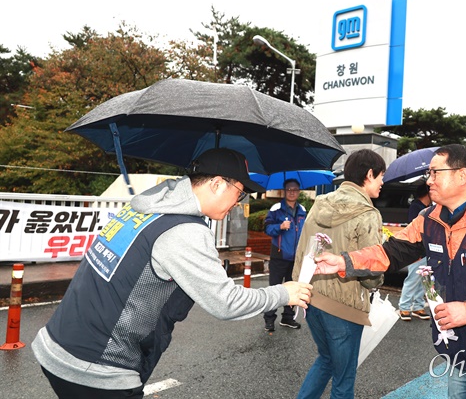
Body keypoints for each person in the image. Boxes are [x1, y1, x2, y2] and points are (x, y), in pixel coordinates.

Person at [31, 148, 312, 398]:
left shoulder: (146, 208)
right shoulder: (184, 230)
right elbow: (226, 302)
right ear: (216, 184)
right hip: (99, 370)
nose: (238, 202)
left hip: (57, 346)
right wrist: (283, 292)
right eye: (239, 192)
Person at [314, 144, 466, 399]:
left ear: (461, 175)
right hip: (462, 350)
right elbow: (390, 253)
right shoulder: (430, 219)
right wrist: (344, 262)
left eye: (435, 173)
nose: (429, 181)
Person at [293, 149, 386, 399]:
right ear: (369, 174)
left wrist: (297, 288)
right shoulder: (368, 214)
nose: (382, 182)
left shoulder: (319, 204)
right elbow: (371, 270)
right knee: (344, 378)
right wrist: (377, 281)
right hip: (345, 305)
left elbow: (303, 250)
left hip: (312, 296)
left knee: (325, 360)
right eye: (380, 177)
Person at [263, 178, 306, 331]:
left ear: (299, 192)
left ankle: (288, 317)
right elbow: (267, 229)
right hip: (279, 255)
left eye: (295, 189)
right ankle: (269, 319)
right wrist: (280, 226)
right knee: (275, 288)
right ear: (284, 191)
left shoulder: (303, 210)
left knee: (293, 288)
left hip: (296, 257)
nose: (292, 192)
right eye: (289, 189)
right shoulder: (276, 209)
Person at [397, 183, 432, 321]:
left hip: (425, 249)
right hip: (416, 250)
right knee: (412, 278)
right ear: (427, 193)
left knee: (424, 280)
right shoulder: (416, 207)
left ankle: (418, 307)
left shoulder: (425, 208)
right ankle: (404, 307)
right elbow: (418, 228)